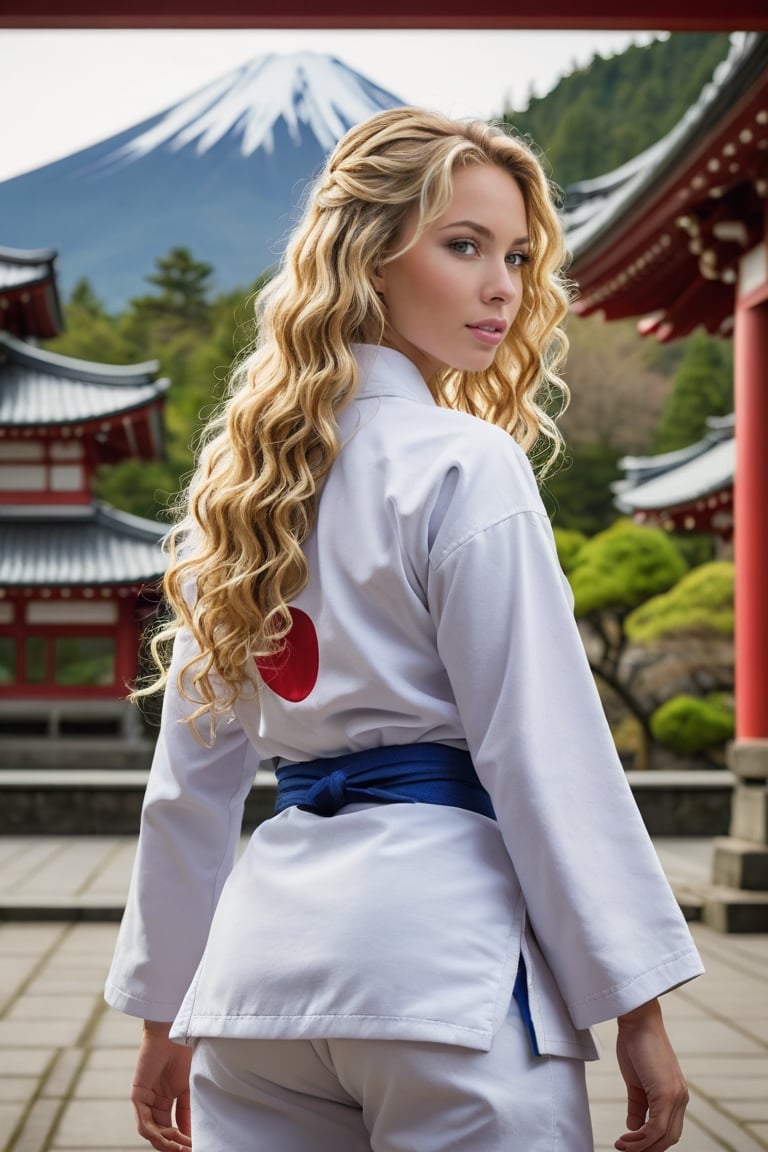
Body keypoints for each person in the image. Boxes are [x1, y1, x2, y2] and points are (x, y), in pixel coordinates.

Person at [105, 107, 703, 1152]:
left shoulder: (240, 491)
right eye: (463, 245)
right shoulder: (465, 465)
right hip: (444, 976)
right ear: (370, 258)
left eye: (517, 255)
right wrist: (637, 1008)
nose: (503, 286)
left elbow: (188, 787)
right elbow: (544, 755)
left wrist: (166, 1011)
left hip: (260, 989)